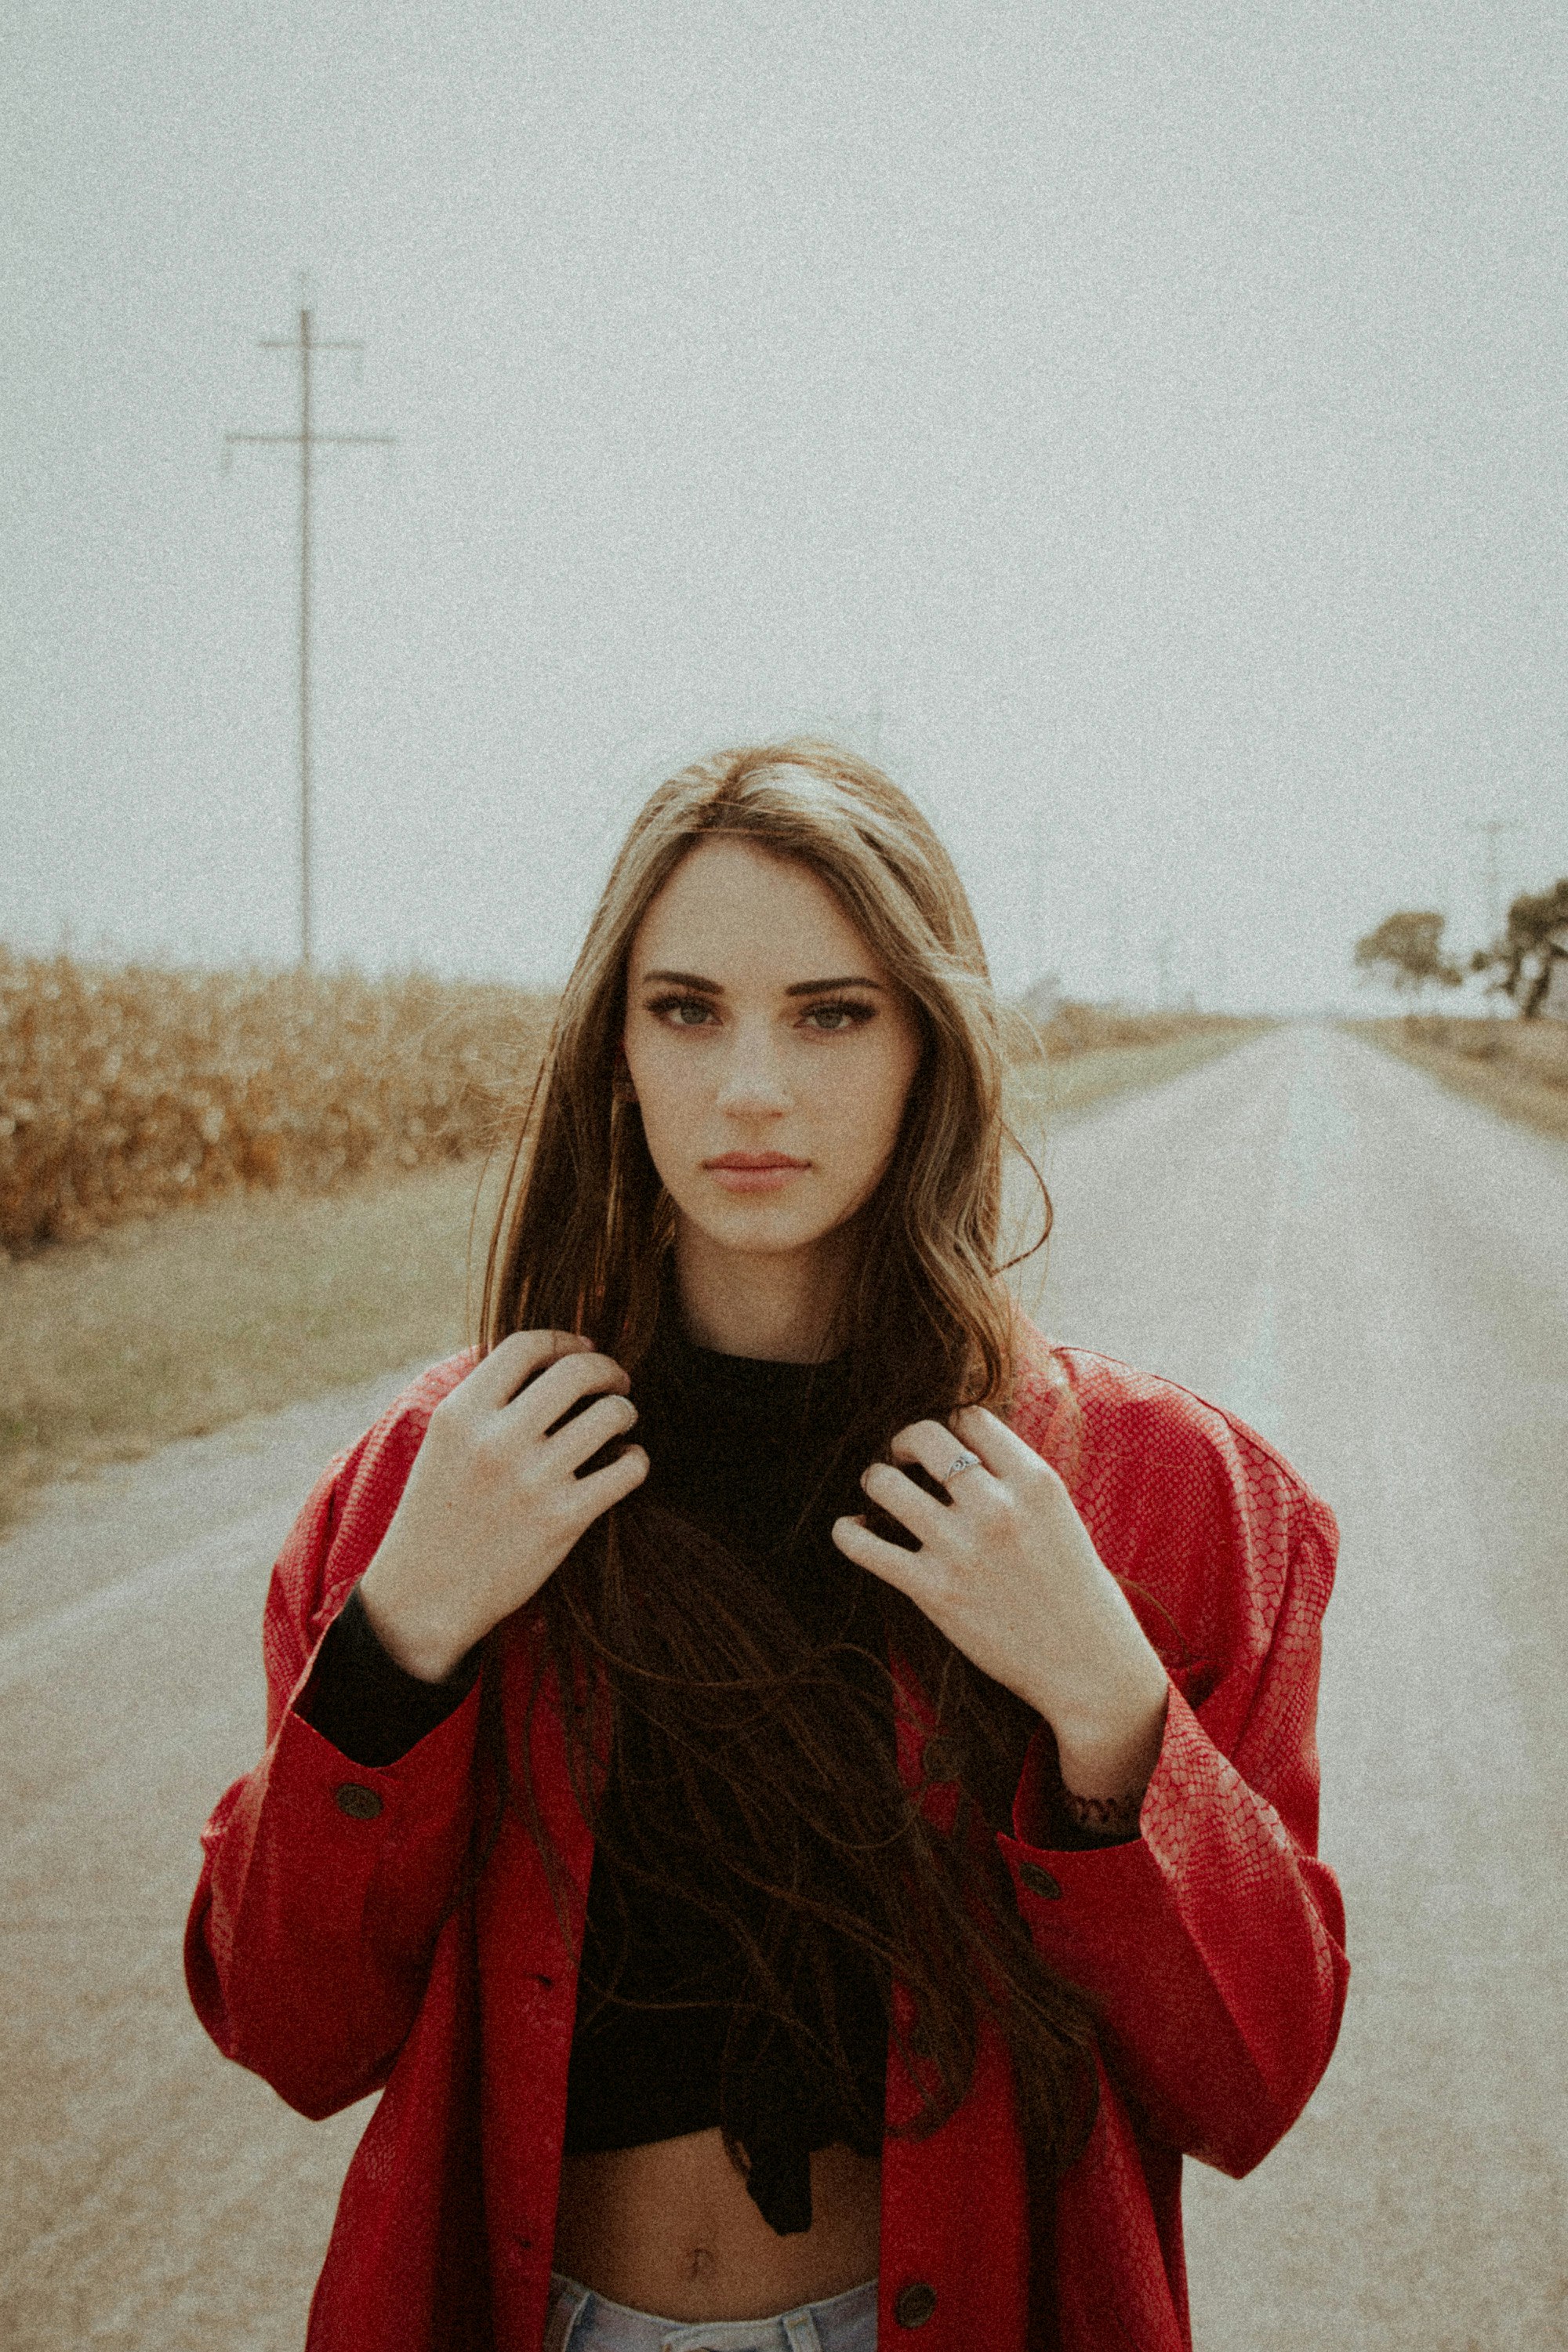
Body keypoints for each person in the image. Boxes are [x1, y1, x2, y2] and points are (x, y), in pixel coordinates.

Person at [186, 739, 1348, 2352]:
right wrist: (400, 1645)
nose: (750, 1087)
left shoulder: (1160, 1493)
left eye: (830, 1012)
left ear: (928, 1048)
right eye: (686, 1010)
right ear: (616, 1054)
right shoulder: (448, 1477)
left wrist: (1108, 1714)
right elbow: (291, 2032)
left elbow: (1250, 2079)